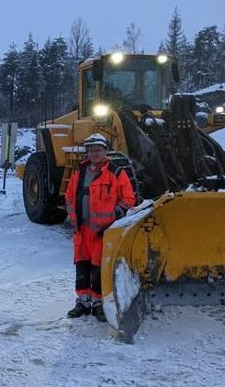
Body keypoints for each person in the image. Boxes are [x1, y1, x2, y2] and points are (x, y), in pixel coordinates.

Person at [65, 133, 135, 321]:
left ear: (105, 151)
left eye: (98, 150)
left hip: (102, 232)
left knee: (98, 270)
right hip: (81, 231)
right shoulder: (79, 173)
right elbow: (70, 196)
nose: (94, 153)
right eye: (91, 150)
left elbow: (128, 199)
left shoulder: (116, 173)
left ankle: (98, 303)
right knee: (82, 268)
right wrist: (72, 216)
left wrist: (114, 216)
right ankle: (82, 302)